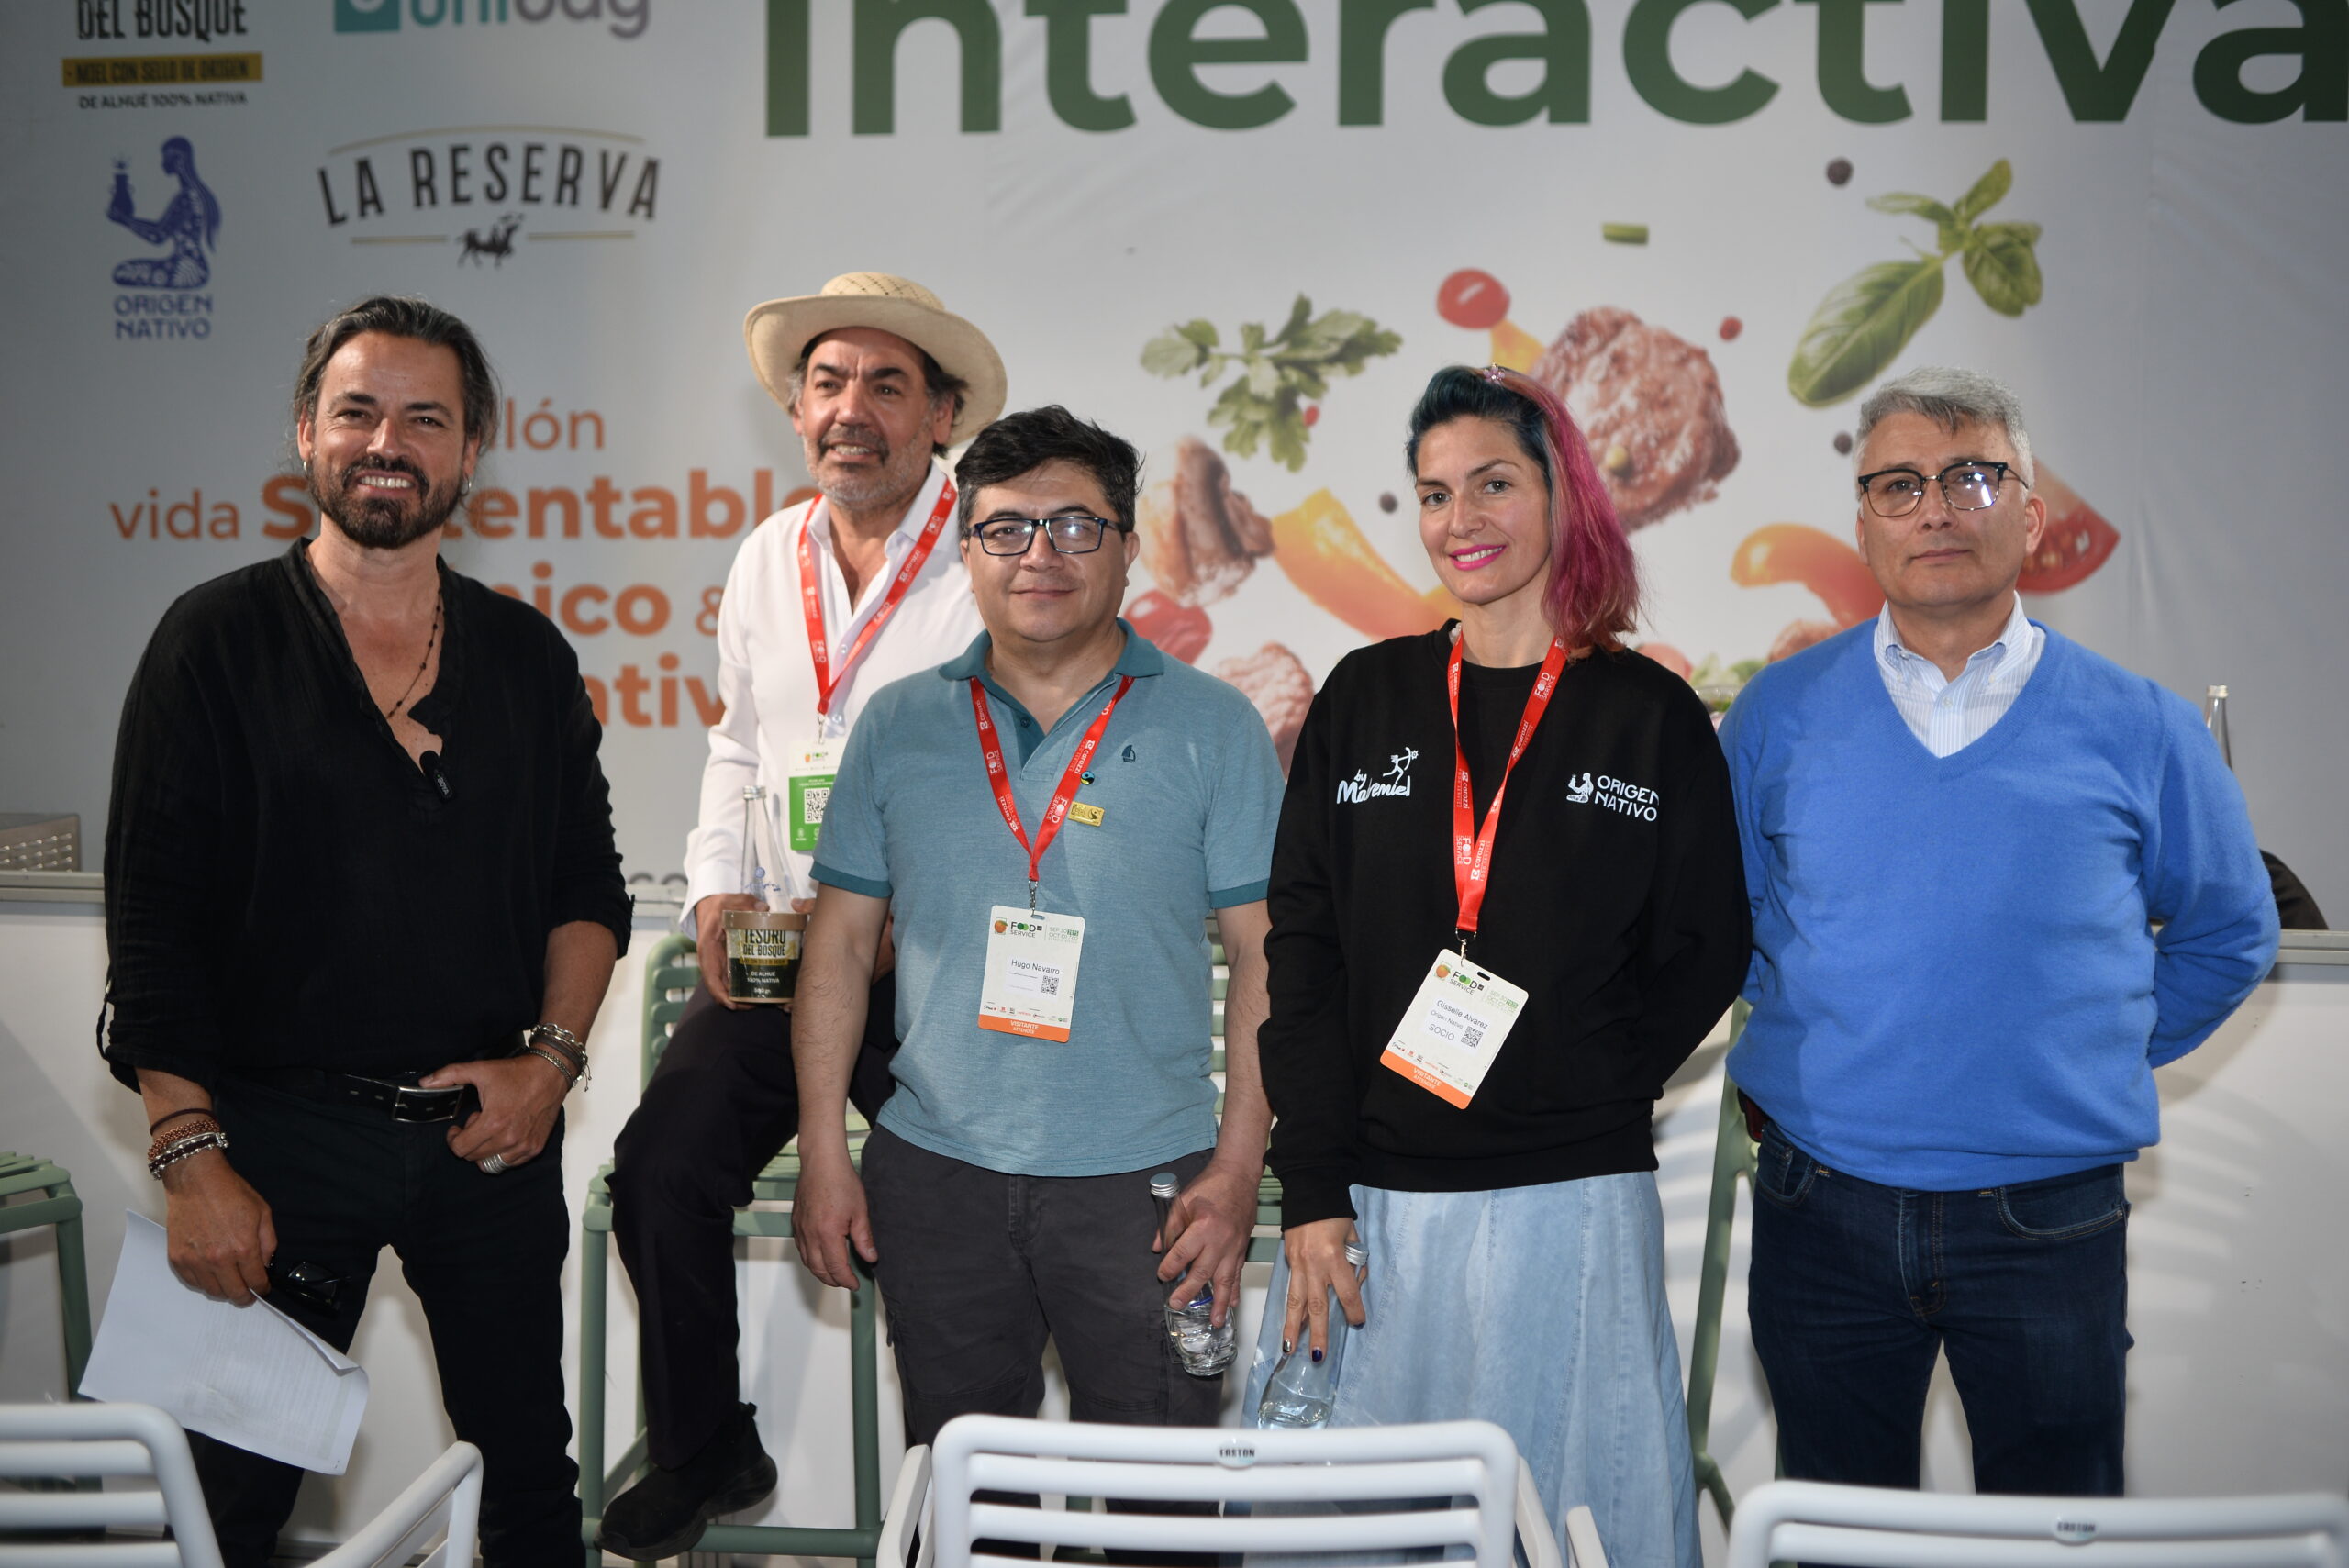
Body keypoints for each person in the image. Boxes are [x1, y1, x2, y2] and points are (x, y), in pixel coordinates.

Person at [100, 295, 630, 1567]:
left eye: (424, 418)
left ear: (471, 448)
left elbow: (588, 891)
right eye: (357, 411)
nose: (387, 442)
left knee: (529, 1490)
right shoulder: (211, 642)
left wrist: (550, 1066)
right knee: (221, 1504)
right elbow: (152, 917)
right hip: (268, 1146)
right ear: (306, 432)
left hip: (486, 1142)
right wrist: (189, 1154)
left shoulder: (526, 656)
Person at [1721, 365, 2279, 1496]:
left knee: (2054, 1533)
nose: (1935, 508)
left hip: (2050, 1210)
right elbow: (1729, 921)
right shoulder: (1775, 712)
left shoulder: (2143, 726)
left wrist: (2083, 1049)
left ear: (2029, 515)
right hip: (1818, 1202)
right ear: (1864, 524)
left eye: (1971, 477)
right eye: (1899, 484)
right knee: (1839, 1532)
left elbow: (2228, 932)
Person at [1252, 364, 1747, 1568]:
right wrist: (1311, 1189)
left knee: (1575, 1524)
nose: (1458, 520)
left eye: (1492, 484)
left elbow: (1707, 943)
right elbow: (1302, 960)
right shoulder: (1363, 698)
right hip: (1371, 1206)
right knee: (1358, 1531)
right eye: (1433, 494)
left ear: (1562, 494)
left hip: (1571, 1197)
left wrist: (1586, 1079)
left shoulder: (1648, 713)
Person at [790, 406, 1284, 1463]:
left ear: (1127, 545)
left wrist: (1238, 1167)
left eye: (1074, 526)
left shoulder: (1214, 726)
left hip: (1150, 1188)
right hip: (936, 1176)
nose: (1039, 555)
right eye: (1006, 528)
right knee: (972, 1502)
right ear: (967, 549)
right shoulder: (898, 724)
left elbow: (1265, 954)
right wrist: (826, 1148)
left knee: (1163, 1510)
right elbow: (837, 948)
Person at [597, 272, 1003, 1559]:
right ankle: (704, 1444)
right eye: (828, 383)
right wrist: (716, 884)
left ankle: (958, 1502)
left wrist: (895, 910)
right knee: (660, 1167)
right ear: (794, 408)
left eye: (887, 385)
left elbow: (1017, 774)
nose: (851, 411)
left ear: (941, 415)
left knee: (942, 1219)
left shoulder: (993, 553)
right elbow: (738, 742)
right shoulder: (766, 556)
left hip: (935, 963)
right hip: (785, 953)